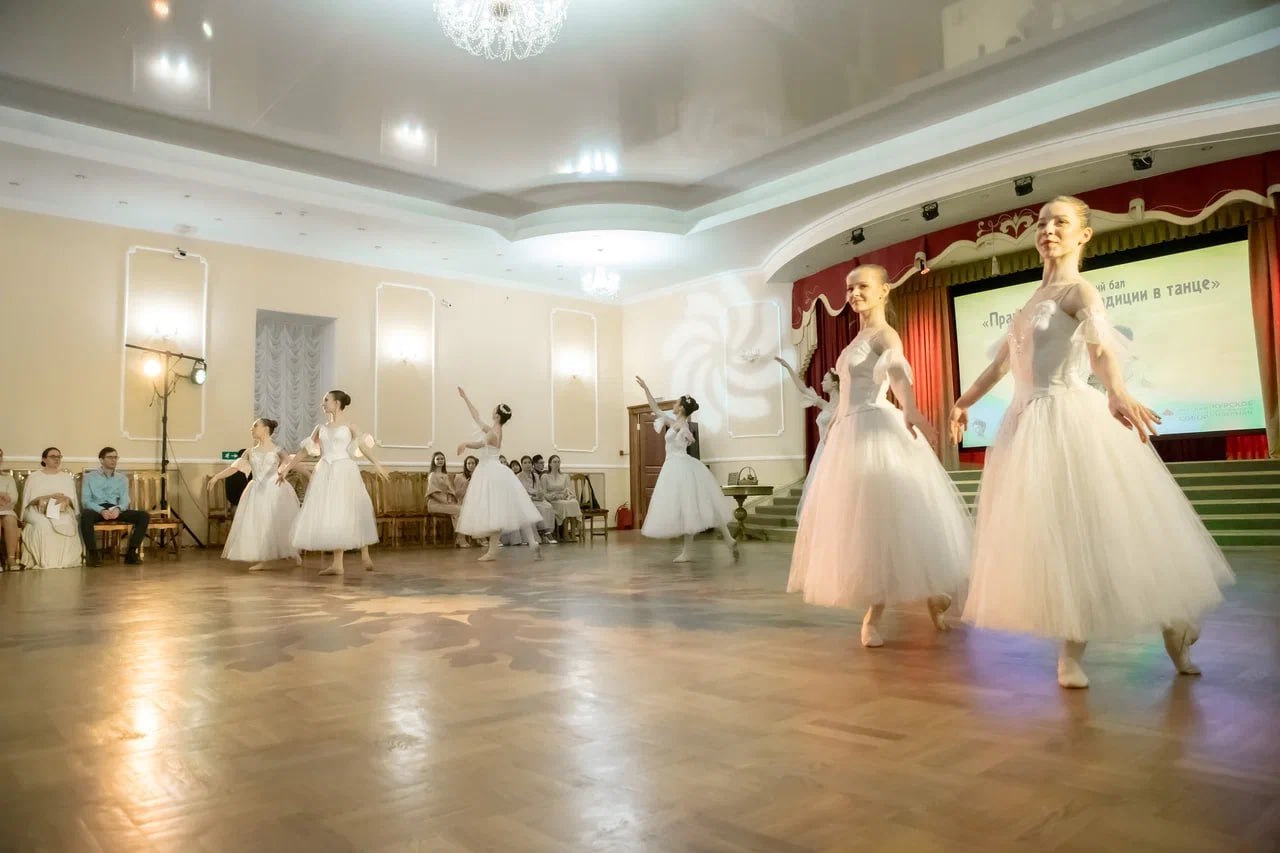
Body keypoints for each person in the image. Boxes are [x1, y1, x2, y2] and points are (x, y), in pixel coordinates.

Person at [950, 196, 1234, 688]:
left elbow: (1101, 351)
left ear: (1083, 235)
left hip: (1066, 418)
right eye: (1042, 222)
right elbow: (1000, 365)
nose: (1047, 229)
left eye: (1060, 222)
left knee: (1087, 533)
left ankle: (1109, 641)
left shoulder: (1080, 291)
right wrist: (962, 402)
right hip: (1025, 424)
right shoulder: (1030, 301)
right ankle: (1137, 630)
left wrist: (1117, 391)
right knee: (1053, 539)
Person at [787, 265, 972, 646]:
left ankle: (875, 617)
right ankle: (930, 596)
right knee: (866, 527)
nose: (854, 294)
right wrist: (833, 427)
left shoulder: (885, 334)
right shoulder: (857, 338)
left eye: (862, 287)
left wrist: (911, 409)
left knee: (881, 524)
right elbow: (846, 393)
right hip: (848, 432)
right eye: (849, 288)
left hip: (875, 429)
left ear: (884, 290)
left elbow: (898, 373)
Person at [278, 390, 389, 576]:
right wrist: (287, 468)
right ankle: (338, 564)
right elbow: (304, 451)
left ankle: (365, 552)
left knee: (352, 510)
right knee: (334, 514)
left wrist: (377, 464)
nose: (323, 404)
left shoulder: (350, 426)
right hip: (325, 471)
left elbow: (362, 446)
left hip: (344, 471)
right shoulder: (320, 428)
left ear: (337, 403)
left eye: (326, 400)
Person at [634, 376, 737, 563]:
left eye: (676, 403)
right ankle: (727, 540)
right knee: (690, 507)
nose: (673, 405)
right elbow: (655, 408)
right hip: (676, 465)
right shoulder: (673, 421)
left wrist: (686, 435)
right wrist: (646, 388)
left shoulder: (683, 425)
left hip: (679, 467)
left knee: (688, 507)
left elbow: (690, 438)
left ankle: (696, 549)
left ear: (681, 408)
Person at [454, 387, 543, 562]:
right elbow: (476, 417)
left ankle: (493, 552)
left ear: (496, 415)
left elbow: (480, 444)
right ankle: (532, 542)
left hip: (490, 472)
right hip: (497, 471)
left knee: (494, 511)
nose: (492, 410)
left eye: (494, 409)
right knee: (513, 506)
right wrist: (465, 398)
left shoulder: (492, 433)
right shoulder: (495, 429)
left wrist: (465, 444)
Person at [207, 418, 301, 571]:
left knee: (279, 523)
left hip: (275, 489)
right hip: (257, 490)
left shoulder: (277, 450)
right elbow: (234, 468)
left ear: (265, 429)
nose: (251, 429)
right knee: (260, 524)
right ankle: (264, 559)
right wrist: (217, 477)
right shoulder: (250, 452)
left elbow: (289, 462)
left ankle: (292, 552)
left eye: (255, 426)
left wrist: (287, 471)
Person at [775, 358, 840, 521]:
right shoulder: (825, 404)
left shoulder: (843, 405)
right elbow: (803, 389)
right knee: (818, 491)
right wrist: (788, 367)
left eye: (825, 380)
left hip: (835, 452)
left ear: (835, 384)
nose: (821, 382)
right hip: (822, 452)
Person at [80, 446, 150, 566]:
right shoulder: (89, 477)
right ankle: (93, 555)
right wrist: (101, 510)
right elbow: (86, 501)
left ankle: (131, 553)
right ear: (101, 460)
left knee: (143, 516)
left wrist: (118, 509)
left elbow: (125, 500)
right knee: (86, 516)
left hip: (114, 509)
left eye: (115, 457)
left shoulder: (122, 478)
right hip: (97, 509)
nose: (113, 460)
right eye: (110, 457)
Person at [20, 447, 82, 569]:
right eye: (53, 456)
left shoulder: (66, 477)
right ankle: (47, 560)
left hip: (61, 509)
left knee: (67, 522)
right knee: (43, 524)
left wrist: (63, 499)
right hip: (36, 509)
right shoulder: (34, 477)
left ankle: (64, 560)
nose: (57, 459)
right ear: (44, 459)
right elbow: (28, 499)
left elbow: (72, 499)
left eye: (59, 457)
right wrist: (48, 497)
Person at [425, 451, 468, 548]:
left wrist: (451, 499)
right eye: (438, 459)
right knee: (459, 510)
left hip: (446, 503)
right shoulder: (432, 475)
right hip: (434, 504)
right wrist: (445, 501)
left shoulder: (445, 475)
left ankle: (460, 538)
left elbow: (450, 490)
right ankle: (461, 539)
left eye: (442, 459)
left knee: (459, 510)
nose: (440, 460)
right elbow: (432, 493)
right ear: (434, 461)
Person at [542, 455, 583, 541]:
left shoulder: (565, 476)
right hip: (552, 500)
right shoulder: (545, 476)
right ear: (550, 464)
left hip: (563, 497)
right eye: (554, 462)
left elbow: (568, 490)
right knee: (564, 504)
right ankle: (565, 533)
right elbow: (544, 493)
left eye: (558, 462)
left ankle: (573, 533)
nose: (557, 464)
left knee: (574, 502)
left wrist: (566, 495)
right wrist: (554, 496)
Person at [518, 454, 556, 544]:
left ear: (532, 464)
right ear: (522, 465)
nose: (527, 464)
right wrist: (532, 497)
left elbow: (539, 489)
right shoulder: (518, 476)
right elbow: (519, 493)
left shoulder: (535, 475)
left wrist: (540, 495)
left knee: (548, 506)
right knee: (540, 508)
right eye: (525, 463)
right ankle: (545, 532)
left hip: (537, 498)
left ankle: (547, 531)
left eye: (529, 462)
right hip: (526, 500)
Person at [0, 448, 20, 569]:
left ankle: (11, 559)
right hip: (3, 505)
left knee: (10, 519)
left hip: (6, 509)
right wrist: (2, 494)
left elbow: (13, 497)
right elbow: (5, 496)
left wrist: (3, 499)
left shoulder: (8, 478)